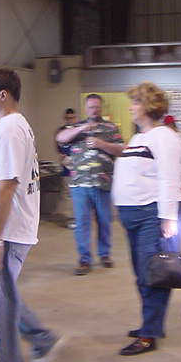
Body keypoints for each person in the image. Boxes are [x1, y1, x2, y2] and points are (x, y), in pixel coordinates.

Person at [0, 68, 60, 362]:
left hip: (5, 232)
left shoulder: (9, 130)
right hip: (5, 228)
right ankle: (41, 339)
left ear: (2, 95)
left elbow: (8, 185)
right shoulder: (16, 126)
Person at [112, 82, 181, 356]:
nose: (131, 107)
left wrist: (167, 219)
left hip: (152, 216)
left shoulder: (164, 137)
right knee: (141, 275)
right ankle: (149, 323)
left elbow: (169, 179)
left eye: (136, 102)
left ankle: (149, 334)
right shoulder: (139, 137)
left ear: (149, 106)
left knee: (154, 275)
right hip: (135, 216)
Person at [55, 94, 124, 275]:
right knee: (82, 223)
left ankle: (105, 254)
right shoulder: (76, 127)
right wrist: (82, 128)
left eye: (97, 107)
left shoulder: (111, 128)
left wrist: (102, 144)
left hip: (103, 183)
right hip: (80, 184)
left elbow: (122, 150)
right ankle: (84, 260)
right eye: (91, 107)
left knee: (104, 221)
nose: (94, 110)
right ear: (85, 108)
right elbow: (61, 138)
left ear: (102, 108)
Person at [161, 115, 181, 252]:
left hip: (178, 180)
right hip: (179, 179)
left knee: (175, 220)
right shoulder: (176, 139)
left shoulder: (177, 139)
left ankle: (172, 253)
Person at [54, 108, 78, 229]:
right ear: (65, 118)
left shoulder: (78, 131)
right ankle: (71, 219)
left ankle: (79, 218)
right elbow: (59, 148)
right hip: (67, 169)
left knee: (79, 195)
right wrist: (64, 158)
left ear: (75, 118)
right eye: (68, 118)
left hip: (79, 169)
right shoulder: (60, 131)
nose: (70, 120)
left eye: (72, 118)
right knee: (68, 195)